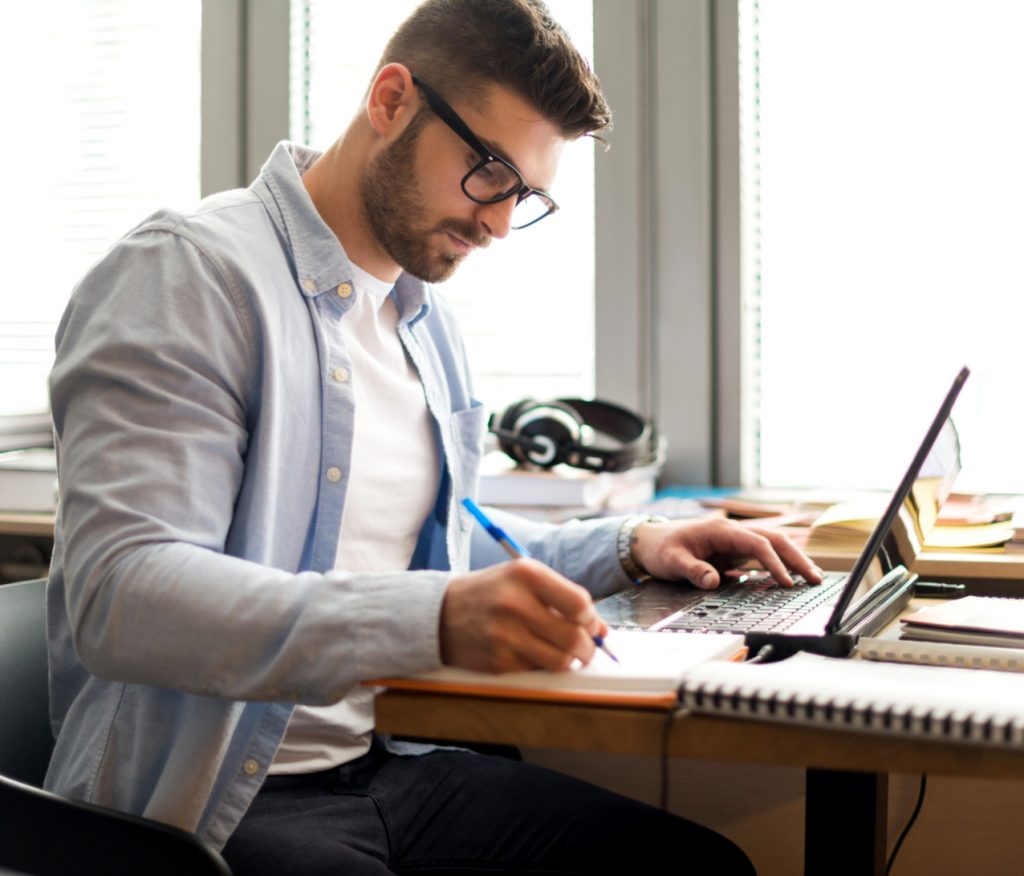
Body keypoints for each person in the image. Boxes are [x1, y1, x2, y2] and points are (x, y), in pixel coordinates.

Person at [45, 1, 821, 873]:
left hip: (385, 766)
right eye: (488, 171)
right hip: (213, 807)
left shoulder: (423, 322)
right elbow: (125, 597)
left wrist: (635, 547)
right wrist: (433, 618)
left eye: (524, 196)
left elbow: (449, 548)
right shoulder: (186, 276)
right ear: (390, 101)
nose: (497, 223)